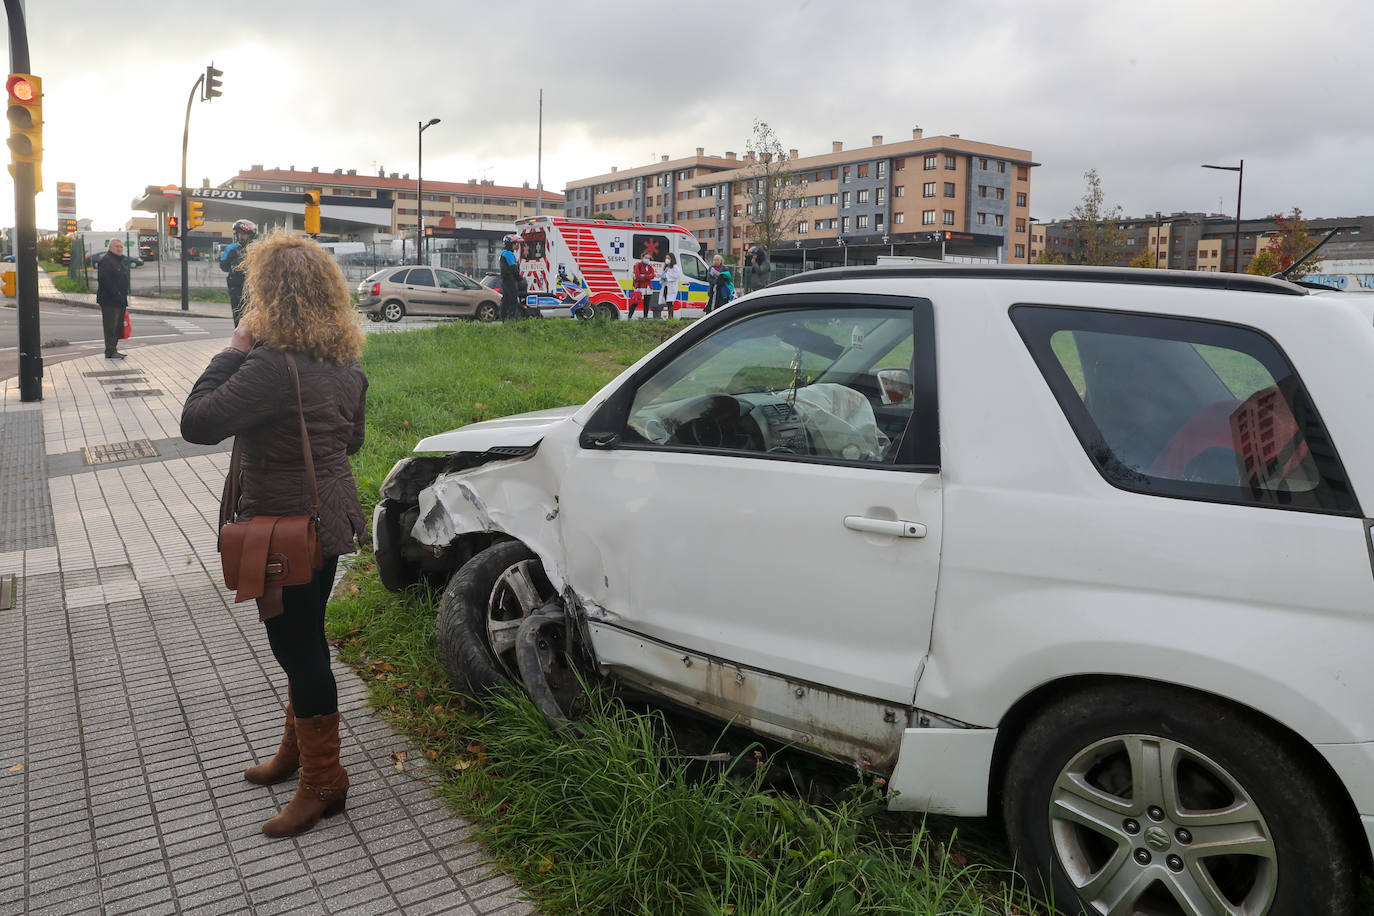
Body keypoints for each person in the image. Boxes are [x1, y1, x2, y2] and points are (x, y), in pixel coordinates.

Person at [181, 232, 368, 838]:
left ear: (270, 296)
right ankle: (298, 754)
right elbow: (351, 442)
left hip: (285, 527)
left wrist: (232, 349)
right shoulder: (346, 365)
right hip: (330, 520)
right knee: (306, 637)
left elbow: (197, 423)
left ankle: (324, 780)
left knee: (298, 650)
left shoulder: (265, 366)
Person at [219, 219, 258, 326]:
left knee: (253, 318)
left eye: (244, 234)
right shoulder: (231, 248)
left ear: (250, 235)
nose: (241, 236)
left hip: (253, 290)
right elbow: (224, 267)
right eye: (240, 233)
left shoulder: (257, 249)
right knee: (238, 318)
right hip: (236, 289)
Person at [97, 239, 130, 359]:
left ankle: (113, 349)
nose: (120, 248)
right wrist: (116, 293)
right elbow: (104, 279)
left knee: (117, 327)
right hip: (110, 300)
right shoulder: (107, 261)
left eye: (121, 247)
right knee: (111, 327)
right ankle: (110, 351)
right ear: (110, 248)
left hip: (120, 300)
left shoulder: (119, 261)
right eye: (117, 246)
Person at [498, 233, 526, 320]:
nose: (516, 246)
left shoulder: (502, 253)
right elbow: (514, 269)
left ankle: (504, 318)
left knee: (505, 300)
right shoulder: (508, 254)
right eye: (515, 244)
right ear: (510, 244)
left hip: (504, 280)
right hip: (510, 281)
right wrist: (520, 278)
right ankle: (512, 318)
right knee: (513, 300)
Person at [656, 253, 683, 319]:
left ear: (672, 259)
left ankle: (671, 317)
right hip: (666, 287)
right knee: (668, 302)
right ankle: (669, 316)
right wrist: (662, 278)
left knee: (670, 302)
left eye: (668, 258)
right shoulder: (666, 267)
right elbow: (663, 276)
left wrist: (667, 277)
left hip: (671, 287)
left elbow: (676, 276)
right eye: (666, 258)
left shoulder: (675, 267)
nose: (667, 260)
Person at [630, 251, 655, 320]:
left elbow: (653, 275)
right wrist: (648, 276)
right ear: (642, 258)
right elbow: (638, 277)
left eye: (648, 258)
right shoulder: (637, 265)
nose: (647, 259)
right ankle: (629, 317)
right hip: (639, 287)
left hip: (648, 287)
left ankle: (645, 318)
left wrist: (644, 276)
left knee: (646, 304)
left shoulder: (650, 267)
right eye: (646, 258)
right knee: (635, 303)